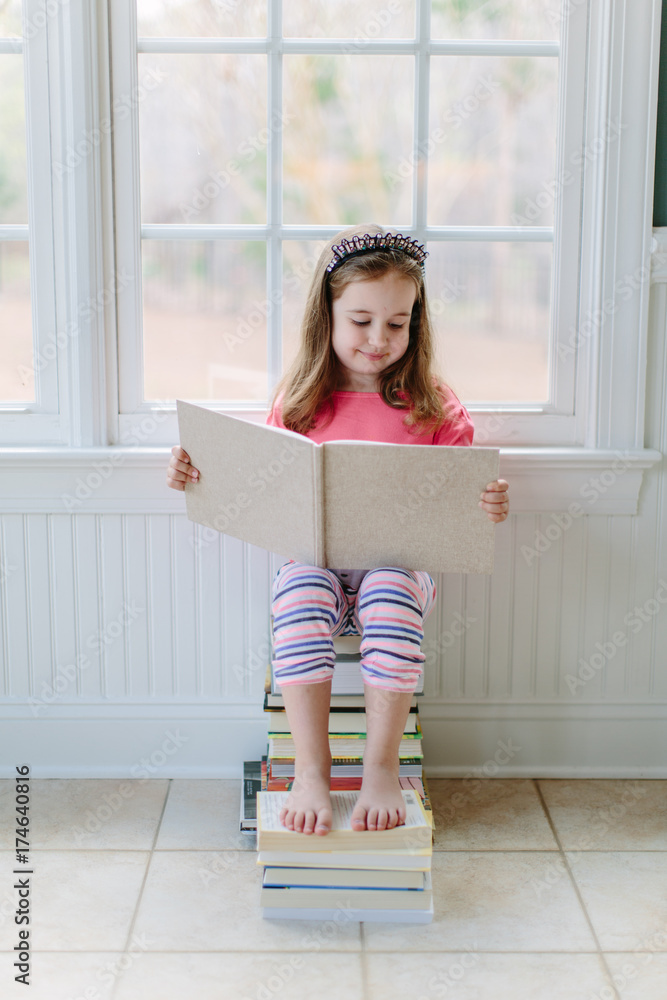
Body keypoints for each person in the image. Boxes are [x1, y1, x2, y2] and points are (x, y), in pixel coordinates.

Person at [166, 224, 509, 840]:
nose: (379, 339)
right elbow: (257, 489)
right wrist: (197, 473)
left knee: (389, 589)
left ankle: (379, 768)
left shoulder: (434, 405)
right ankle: (312, 769)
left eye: (397, 324)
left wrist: (483, 504)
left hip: (399, 572)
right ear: (325, 316)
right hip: (316, 566)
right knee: (299, 589)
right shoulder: (299, 404)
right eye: (360, 321)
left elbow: (458, 505)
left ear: (415, 323)